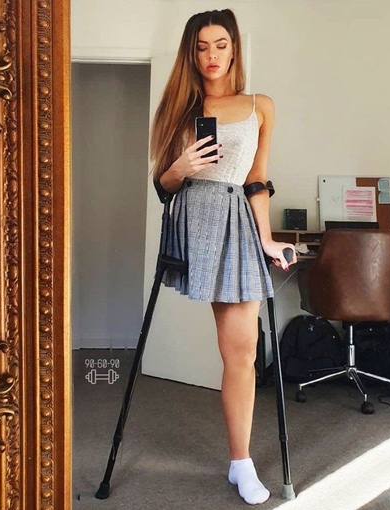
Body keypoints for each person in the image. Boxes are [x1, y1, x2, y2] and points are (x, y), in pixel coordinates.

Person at [150, 8, 296, 505]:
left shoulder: (260, 105)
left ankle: (241, 462)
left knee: (242, 351)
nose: (211, 56)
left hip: (238, 222)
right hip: (194, 220)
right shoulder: (180, 106)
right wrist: (180, 167)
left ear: (234, 49)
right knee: (235, 348)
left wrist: (268, 240)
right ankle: (240, 461)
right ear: (190, 54)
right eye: (201, 47)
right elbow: (163, 186)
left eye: (220, 45)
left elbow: (256, 180)